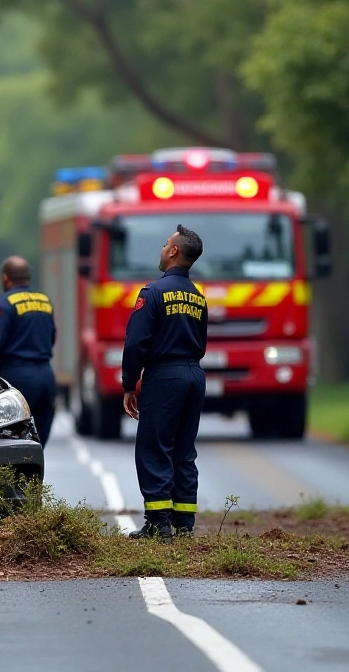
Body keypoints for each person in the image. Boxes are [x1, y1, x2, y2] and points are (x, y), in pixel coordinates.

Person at [121, 225, 208, 539]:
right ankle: (184, 524)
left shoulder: (152, 293)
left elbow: (136, 343)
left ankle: (158, 525)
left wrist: (129, 384)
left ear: (174, 252)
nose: (161, 248)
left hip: (165, 376)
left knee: (154, 448)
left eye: (164, 244)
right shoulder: (198, 297)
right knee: (184, 451)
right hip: (194, 376)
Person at [0, 256, 58, 446]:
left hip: (18, 378)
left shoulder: (3, 304)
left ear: (5, 278)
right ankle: (36, 474)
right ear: (27, 277)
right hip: (46, 377)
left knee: (14, 440)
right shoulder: (44, 301)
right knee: (39, 441)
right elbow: (52, 336)